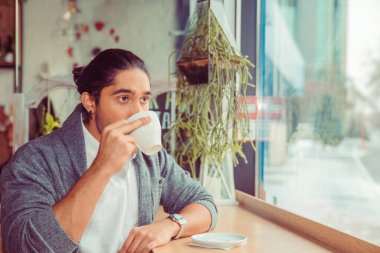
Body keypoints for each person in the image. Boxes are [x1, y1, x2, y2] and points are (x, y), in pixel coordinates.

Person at [0, 49, 218, 253]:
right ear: (90, 102)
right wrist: (103, 166)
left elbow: (204, 203)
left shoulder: (150, 156)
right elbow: (24, 246)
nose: (138, 113)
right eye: (123, 98)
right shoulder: (34, 160)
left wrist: (170, 226)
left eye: (144, 99)